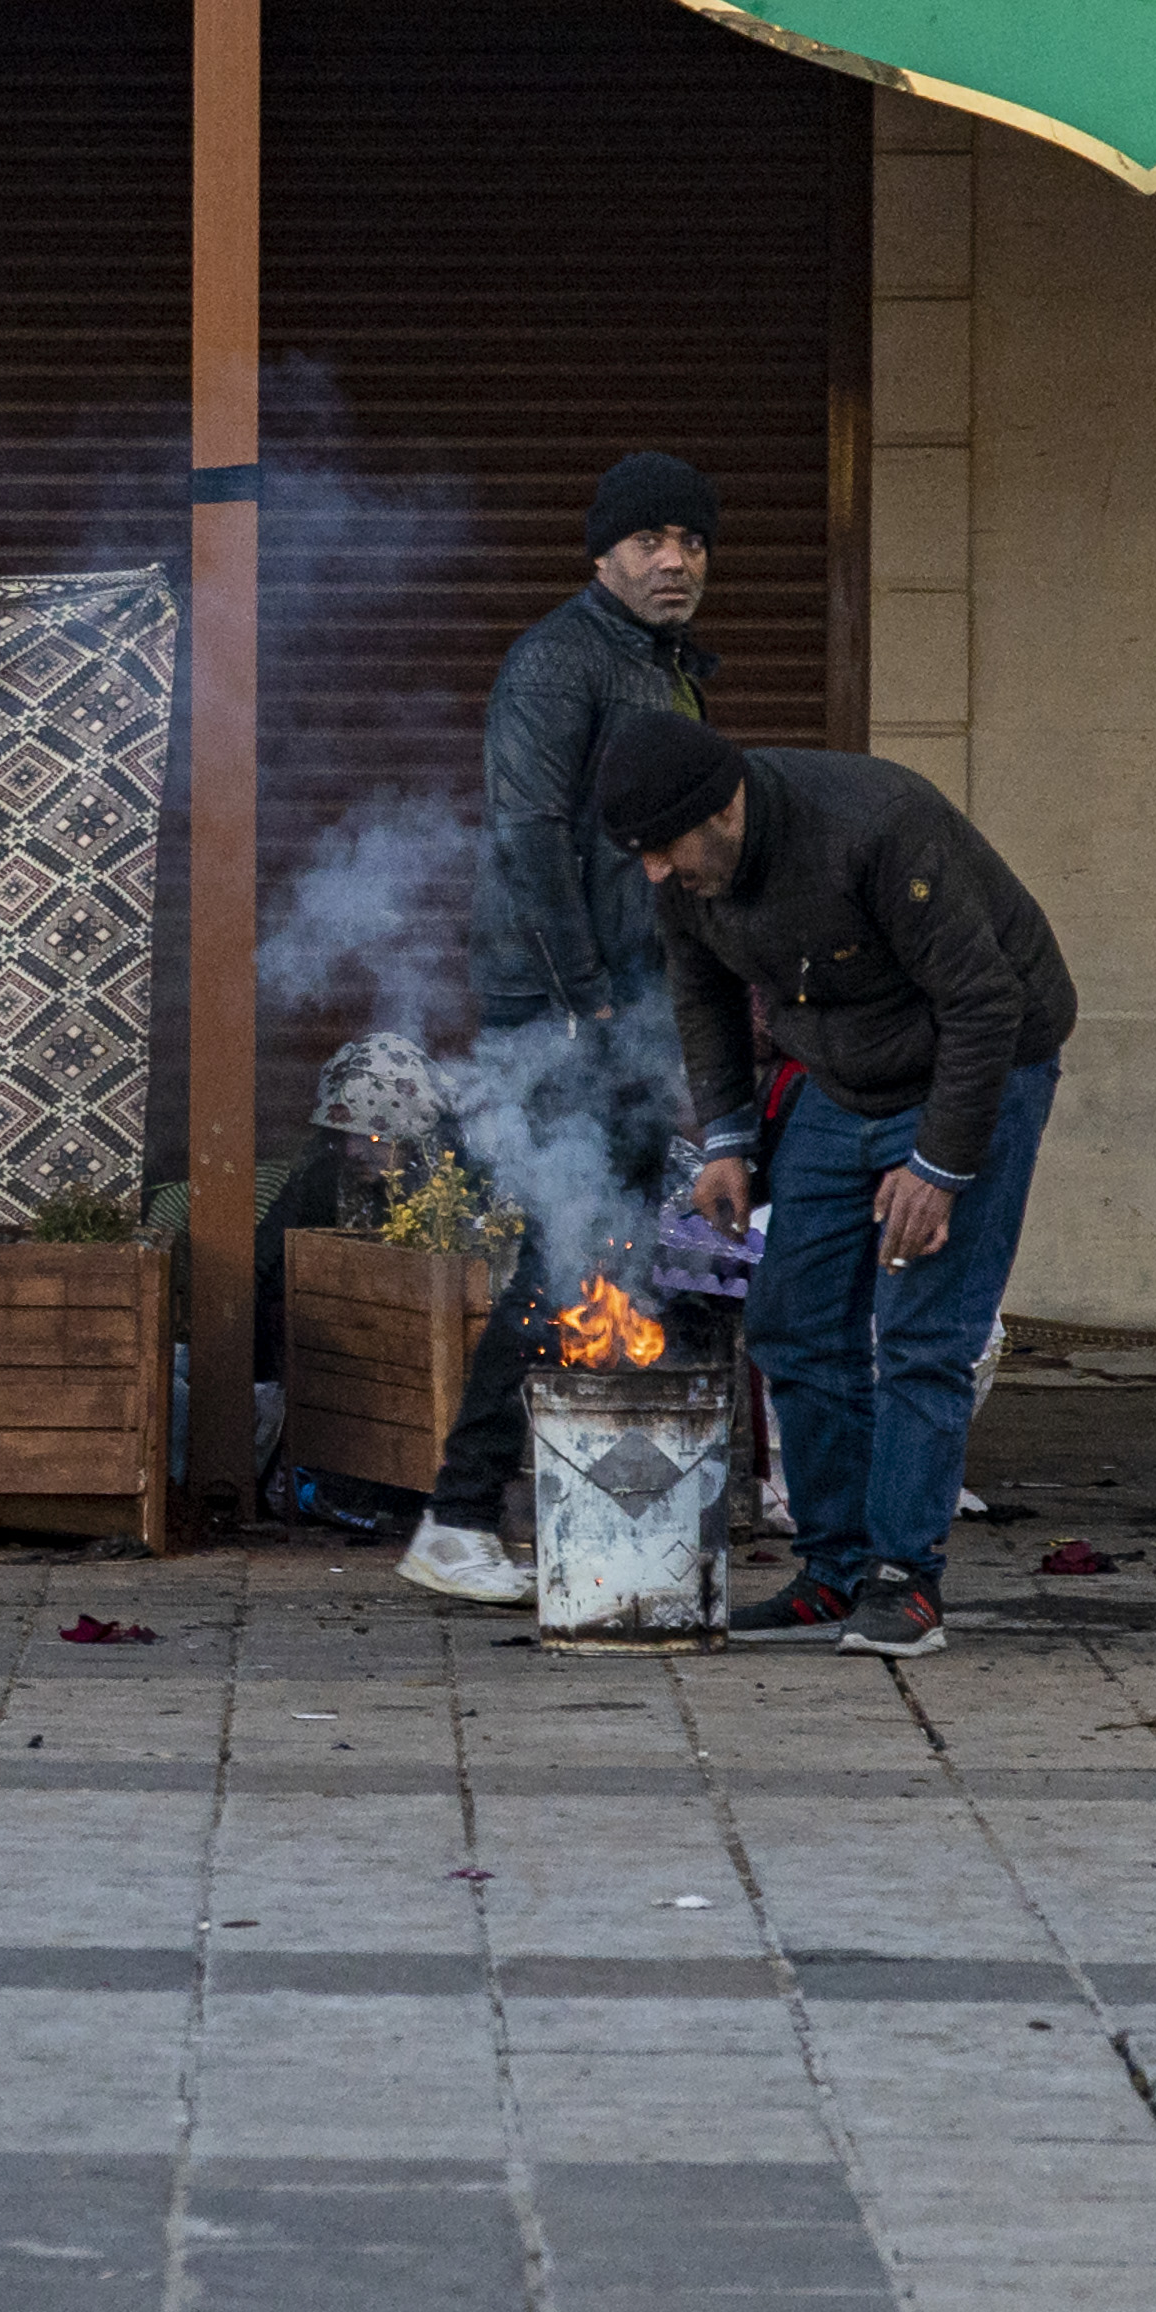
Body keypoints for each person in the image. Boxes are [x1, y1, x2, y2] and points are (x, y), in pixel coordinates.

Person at [603, 709, 1075, 1660]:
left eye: (665, 848)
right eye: (640, 854)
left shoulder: (876, 823)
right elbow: (700, 994)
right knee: (791, 1320)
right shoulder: (686, 871)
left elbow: (988, 1003)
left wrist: (939, 1168)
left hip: (977, 1063)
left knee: (921, 1333)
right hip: (839, 1074)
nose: (656, 871)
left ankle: (906, 1582)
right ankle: (833, 1571)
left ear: (723, 811)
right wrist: (730, 1137)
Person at [402, 451, 727, 1611]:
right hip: (561, 1010)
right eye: (651, 541)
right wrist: (588, 999)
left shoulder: (662, 664)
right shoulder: (559, 661)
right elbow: (529, 837)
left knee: (609, 1256)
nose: (676, 559)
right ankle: (454, 1515)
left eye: (692, 539)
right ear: (603, 554)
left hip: (626, 1005)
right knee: (568, 1250)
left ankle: (553, 1502)